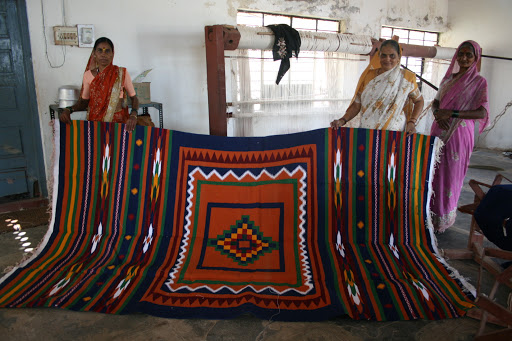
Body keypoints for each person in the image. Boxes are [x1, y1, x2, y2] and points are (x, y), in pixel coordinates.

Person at [430, 40, 489, 233]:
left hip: (458, 135)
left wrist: (452, 114)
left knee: (451, 176)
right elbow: (436, 102)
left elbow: (481, 112)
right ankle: (428, 215)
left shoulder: (479, 82)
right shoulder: (448, 79)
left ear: (475, 58)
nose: (464, 58)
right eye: (461, 54)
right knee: (433, 173)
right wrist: (438, 113)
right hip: (439, 132)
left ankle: (442, 219)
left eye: (469, 55)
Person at [330, 39, 424, 136]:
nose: (387, 59)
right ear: (379, 56)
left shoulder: (406, 78)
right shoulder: (369, 76)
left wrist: (412, 122)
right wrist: (342, 120)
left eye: (392, 56)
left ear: (399, 57)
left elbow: (419, 101)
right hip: (367, 132)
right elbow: (357, 104)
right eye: (384, 55)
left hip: (394, 134)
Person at [58, 37, 139, 131]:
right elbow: (84, 102)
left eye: (107, 51)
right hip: (95, 124)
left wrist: (133, 115)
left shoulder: (121, 73)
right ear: (94, 53)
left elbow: (134, 98)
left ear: (112, 54)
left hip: (118, 124)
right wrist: (68, 110)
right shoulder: (88, 75)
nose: (103, 54)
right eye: (100, 50)